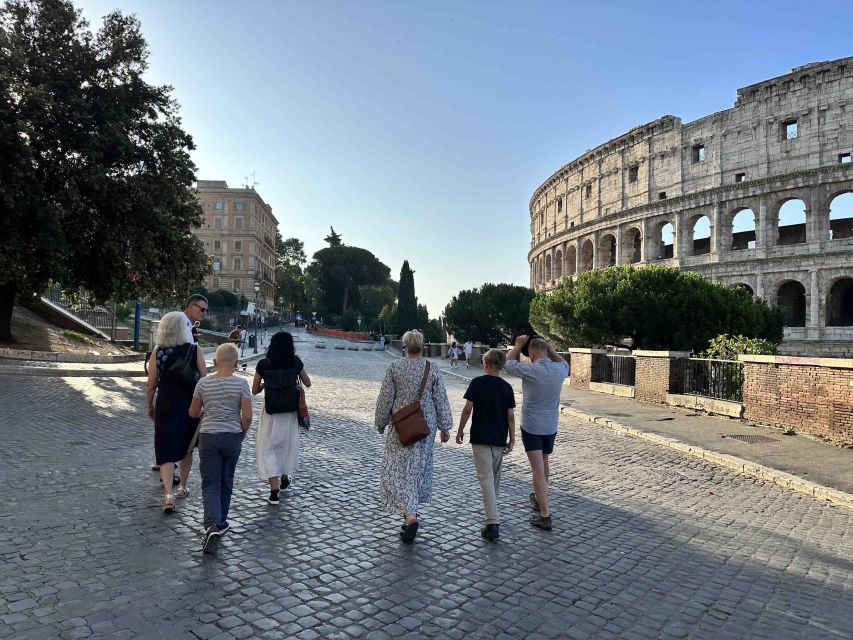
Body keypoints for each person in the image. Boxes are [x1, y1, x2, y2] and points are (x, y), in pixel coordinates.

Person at [374, 330, 453, 543]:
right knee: (417, 469)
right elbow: (441, 399)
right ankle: (412, 514)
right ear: (423, 347)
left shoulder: (395, 367)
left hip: (401, 425)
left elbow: (385, 398)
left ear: (405, 346)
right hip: (425, 426)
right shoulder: (432, 368)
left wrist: (381, 422)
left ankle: (409, 516)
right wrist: (445, 427)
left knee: (398, 469)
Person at [189, 343, 252, 554]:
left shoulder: (203, 383)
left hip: (208, 437)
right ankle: (222, 522)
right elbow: (248, 416)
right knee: (226, 480)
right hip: (232, 436)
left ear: (214, 362)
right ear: (236, 363)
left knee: (210, 483)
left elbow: (192, 412)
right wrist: (241, 434)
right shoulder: (242, 384)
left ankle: (212, 525)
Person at [505, 336, 568, 531]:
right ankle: (541, 498)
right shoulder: (560, 370)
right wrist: (551, 348)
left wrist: (518, 345)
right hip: (550, 426)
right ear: (547, 351)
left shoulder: (531, 370)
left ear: (532, 354)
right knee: (545, 461)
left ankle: (545, 514)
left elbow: (507, 363)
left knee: (537, 469)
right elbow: (564, 361)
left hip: (532, 426)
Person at [146, 311, 207, 512]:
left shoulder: (158, 352)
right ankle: (181, 487)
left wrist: (150, 406)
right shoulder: (194, 349)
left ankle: (167, 496)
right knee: (186, 447)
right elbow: (204, 381)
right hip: (190, 406)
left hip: (165, 405)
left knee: (165, 451)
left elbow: (151, 385)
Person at [455, 349, 516, 542]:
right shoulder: (507, 387)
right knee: (493, 480)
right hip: (499, 438)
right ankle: (492, 516)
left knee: (486, 479)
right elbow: (511, 416)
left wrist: (460, 429)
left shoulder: (477, 383)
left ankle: (492, 522)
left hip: (481, 437)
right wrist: (512, 438)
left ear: (486, 364)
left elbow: (467, 409)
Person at [252, 331, 312, 504]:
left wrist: (265, 384)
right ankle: (285, 476)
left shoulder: (264, 364)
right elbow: (307, 383)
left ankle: (274, 492)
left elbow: (254, 390)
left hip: (271, 412)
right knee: (287, 445)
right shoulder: (295, 362)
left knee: (270, 448)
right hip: (290, 412)